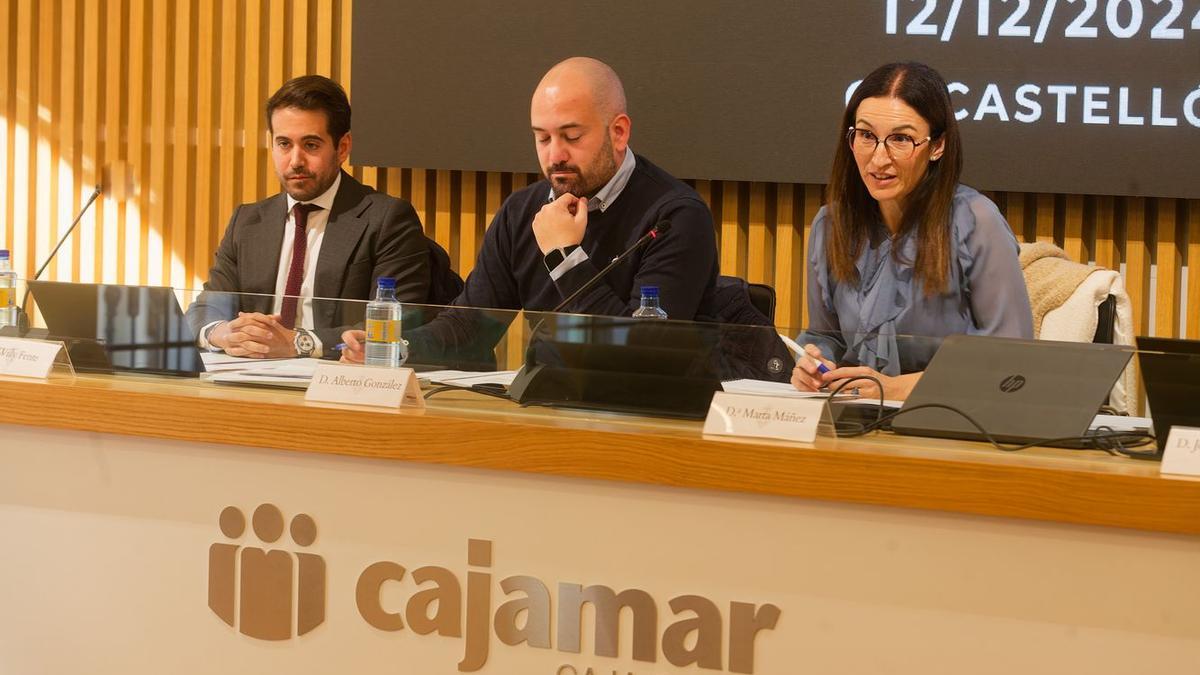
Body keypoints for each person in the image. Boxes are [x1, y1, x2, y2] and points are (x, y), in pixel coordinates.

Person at [339, 57, 725, 366]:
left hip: (644, 422)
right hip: (544, 410)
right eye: (542, 138)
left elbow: (640, 353)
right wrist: (395, 348)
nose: (554, 155)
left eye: (572, 137)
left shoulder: (675, 216)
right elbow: (472, 326)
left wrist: (565, 257)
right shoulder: (523, 211)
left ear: (618, 132)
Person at [792, 62, 1033, 400]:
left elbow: (1011, 360)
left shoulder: (976, 221)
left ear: (937, 146)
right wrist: (814, 365)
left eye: (900, 139)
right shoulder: (830, 224)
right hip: (854, 415)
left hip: (951, 421)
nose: (878, 160)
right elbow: (827, 335)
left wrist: (893, 389)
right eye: (866, 136)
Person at [186, 75, 460, 360]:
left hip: (343, 381)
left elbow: (398, 321)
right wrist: (223, 333)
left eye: (311, 145)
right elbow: (206, 307)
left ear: (342, 148)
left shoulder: (387, 219)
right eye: (283, 144)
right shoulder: (248, 221)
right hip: (253, 378)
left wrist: (299, 342)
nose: (295, 161)